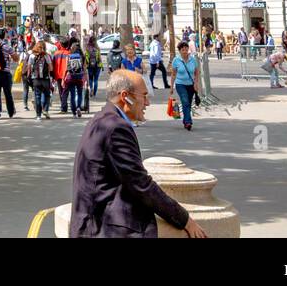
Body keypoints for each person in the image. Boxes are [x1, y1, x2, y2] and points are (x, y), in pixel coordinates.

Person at [69, 70, 208, 239]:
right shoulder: (116, 128)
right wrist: (185, 220)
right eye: (144, 96)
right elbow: (141, 184)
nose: (148, 103)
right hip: (100, 227)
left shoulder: (102, 119)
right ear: (125, 96)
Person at [171, 41, 201, 131]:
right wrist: (171, 87)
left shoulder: (193, 60)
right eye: (182, 49)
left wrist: (196, 84)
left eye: (186, 49)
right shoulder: (176, 60)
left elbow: (197, 73)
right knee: (185, 101)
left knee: (188, 103)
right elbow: (173, 74)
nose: (184, 51)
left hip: (191, 85)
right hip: (180, 84)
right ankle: (188, 122)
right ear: (179, 51)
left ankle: (185, 120)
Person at [28, 40, 54, 119]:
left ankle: (38, 115)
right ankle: (45, 110)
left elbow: (29, 67)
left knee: (37, 96)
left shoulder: (32, 56)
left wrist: (29, 77)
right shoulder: (46, 56)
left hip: (36, 79)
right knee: (47, 95)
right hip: (45, 79)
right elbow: (51, 68)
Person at [65, 38, 87, 118]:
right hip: (79, 77)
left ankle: (74, 112)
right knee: (80, 93)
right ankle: (78, 107)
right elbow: (84, 68)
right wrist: (85, 78)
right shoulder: (82, 56)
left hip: (71, 77)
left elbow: (66, 68)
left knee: (72, 95)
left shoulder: (69, 56)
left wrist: (65, 77)